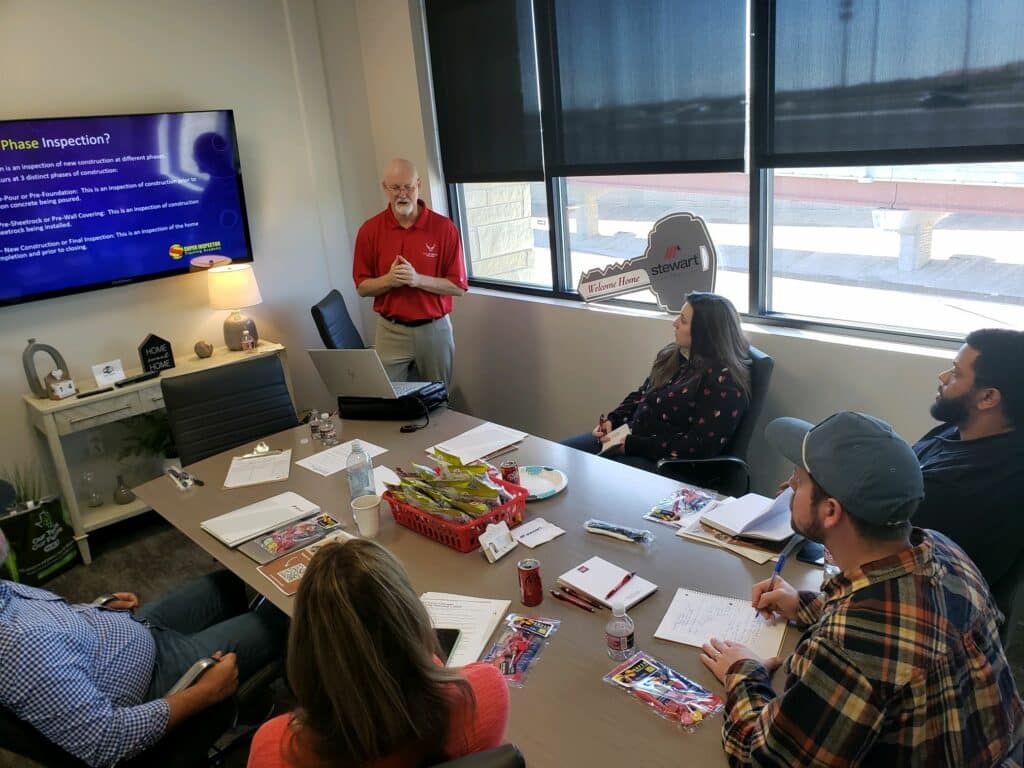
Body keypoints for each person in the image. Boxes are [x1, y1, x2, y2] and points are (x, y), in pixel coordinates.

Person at [700, 411, 1023, 767]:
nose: (790, 483)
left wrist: (745, 672)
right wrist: (803, 605)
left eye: (801, 479)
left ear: (831, 512)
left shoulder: (848, 645)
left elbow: (766, 759)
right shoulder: (942, 549)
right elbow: (907, 626)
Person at [0, 523, 287, 768]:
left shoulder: (6, 594)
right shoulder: (22, 646)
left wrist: (95, 608)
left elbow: (51, 623)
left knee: (230, 581)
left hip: (130, 633)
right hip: (154, 679)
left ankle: (252, 703)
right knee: (285, 613)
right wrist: (205, 692)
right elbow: (105, 741)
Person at [247, 538, 508, 768]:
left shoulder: (273, 750)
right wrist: (420, 657)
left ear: (306, 649)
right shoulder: (484, 695)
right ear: (412, 620)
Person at [561, 291, 750, 472]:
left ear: (704, 332)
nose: (674, 323)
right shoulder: (675, 356)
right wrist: (613, 420)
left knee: (592, 475)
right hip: (631, 441)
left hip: (667, 464)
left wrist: (632, 445)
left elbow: (698, 446)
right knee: (562, 455)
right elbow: (642, 394)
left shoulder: (724, 382)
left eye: (683, 321)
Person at [911, 328, 1024, 592]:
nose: (943, 377)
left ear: (988, 398)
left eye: (956, 373)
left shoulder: (964, 487)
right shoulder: (959, 431)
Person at [352, 158, 468, 388]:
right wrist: (389, 280)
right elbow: (362, 288)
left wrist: (417, 280)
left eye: (408, 187)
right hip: (390, 331)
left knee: (437, 401)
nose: (402, 194)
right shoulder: (370, 230)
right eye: (395, 188)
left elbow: (458, 287)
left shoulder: (444, 228)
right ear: (385, 188)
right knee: (387, 400)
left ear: (419, 186)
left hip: (434, 330)